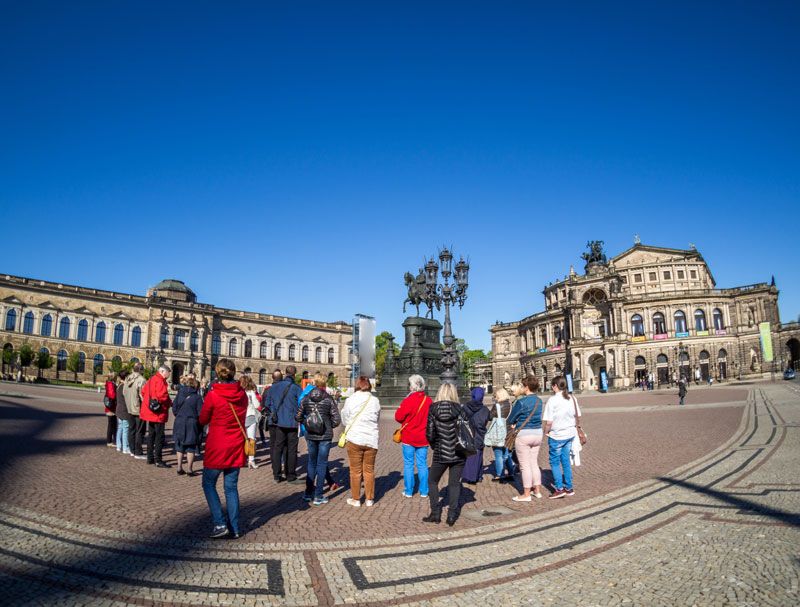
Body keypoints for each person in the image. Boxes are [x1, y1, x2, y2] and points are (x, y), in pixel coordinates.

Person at [199, 358, 248, 539]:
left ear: (217, 372)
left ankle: (220, 523)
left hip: (217, 445)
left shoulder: (213, 394)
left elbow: (203, 418)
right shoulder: (242, 394)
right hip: (236, 445)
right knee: (231, 487)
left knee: (208, 483)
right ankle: (234, 528)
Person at [423, 382, 466, 526]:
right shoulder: (459, 409)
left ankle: (435, 513)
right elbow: (465, 431)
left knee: (432, 481)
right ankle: (452, 515)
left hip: (441, 452)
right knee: (454, 484)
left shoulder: (433, 408)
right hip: (458, 452)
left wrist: (435, 445)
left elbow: (429, 433)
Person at [296, 373, 341, 505]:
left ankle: (308, 492)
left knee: (311, 462)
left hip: (310, 434)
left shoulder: (306, 398)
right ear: (324, 383)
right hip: (325, 436)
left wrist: (307, 423)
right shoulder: (328, 399)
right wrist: (327, 425)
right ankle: (319, 495)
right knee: (322, 464)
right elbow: (336, 420)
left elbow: (298, 417)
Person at [341, 376, 380, 507]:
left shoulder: (350, 400)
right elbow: (377, 418)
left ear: (357, 385)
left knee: (355, 471)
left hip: (355, 438)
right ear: (369, 386)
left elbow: (345, 419)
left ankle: (356, 499)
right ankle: (369, 498)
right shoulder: (375, 401)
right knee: (369, 470)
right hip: (371, 439)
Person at [542, 375, 582, 499]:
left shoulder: (552, 400)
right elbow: (578, 416)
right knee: (565, 461)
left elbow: (548, 422)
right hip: (569, 434)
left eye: (552, 386)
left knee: (554, 462)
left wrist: (546, 432)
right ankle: (569, 488)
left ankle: (559, 489)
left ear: (555, 386)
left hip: (557, 435)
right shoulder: (572, 398)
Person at [394, 374, 432, 498]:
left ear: (413, 386)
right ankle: (424, 491)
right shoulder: (428, 400)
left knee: (408, 464)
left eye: (410, 385)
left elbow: (398, 417)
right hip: (423, 437)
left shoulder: (408, 400)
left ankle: (409, 491)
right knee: (422, 464)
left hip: (409, 437)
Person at [507, 376, 544, 501]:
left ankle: (526, 494)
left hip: (524, 434)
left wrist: (514, 422)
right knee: (534, 463)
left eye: (523, 386)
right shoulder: (539, 400)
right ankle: (537, 491)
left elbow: (511, 419)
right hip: (538, 433)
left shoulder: (521, 402)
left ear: (527, 387)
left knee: (524, 466)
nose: (522, 388)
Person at [264, 366, 302, 483]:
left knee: (277, 448)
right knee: (291, 449)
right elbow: (302, 403)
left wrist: (275, 412)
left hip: (278, 423)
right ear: (294, 374)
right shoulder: (296, 388)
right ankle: (290, 475)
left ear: (285, 373)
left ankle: (276, 475)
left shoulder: (274, 387)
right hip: (291, 423)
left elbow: (267, 404)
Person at [140, 365, 173, 468]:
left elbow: (143, 391)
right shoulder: (160, 381)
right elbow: (162, 396)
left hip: (150, 412)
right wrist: (170, 403)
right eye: (168, 373)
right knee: (159, 437)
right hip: (158, 413)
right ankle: (158, 460)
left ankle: (150, 458)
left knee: (151, 435)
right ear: (163, 372)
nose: (168, 375)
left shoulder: (151, 379)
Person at [173, 375, 203, 476]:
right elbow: (200, 413)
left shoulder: (179, 394)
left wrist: (180, 415)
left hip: (180, 421)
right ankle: (190, 469)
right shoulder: (197, 397)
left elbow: (174, 409)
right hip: (192, 422)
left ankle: (179, 467)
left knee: (180, 445)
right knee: (191, 447)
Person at [487, 387, 516, 481]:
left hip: (498, 432)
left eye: (495, 395)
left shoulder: (497, 405)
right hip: (509, 432)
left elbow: (490, 417)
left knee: (498, 454)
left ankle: (500, 474)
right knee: (507, 454)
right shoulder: (511, 405)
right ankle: (511, 473)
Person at [461, 387, 489, 484]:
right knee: (478, 454)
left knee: (469, 455)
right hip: (479, 435)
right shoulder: (485, 409)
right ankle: (478, 475)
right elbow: (486, 420)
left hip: (468, 434)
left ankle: (469, 476)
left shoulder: (465, 407)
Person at [123, 363, 147, 459]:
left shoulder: (128, 378)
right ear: (141, 370)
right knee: (140, 431)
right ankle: (138, 452)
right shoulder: (141, 380)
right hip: (138, 408)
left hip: (129, 407)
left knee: (131, 429)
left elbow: (124, 392)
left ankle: (132, 450)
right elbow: (143, 396)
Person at [240, 375, 261, 469]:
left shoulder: (238, 392)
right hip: (251, 416)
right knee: (251, 439)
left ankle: (241, 459)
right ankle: (251, 460)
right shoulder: (251, 392)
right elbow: (257, 405)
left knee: (241, 439)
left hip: (240, 417)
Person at [114, 370, 132, 454]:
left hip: (119, 409)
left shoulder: (119, 385)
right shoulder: (125, 386)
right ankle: (125, 447)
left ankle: (118, 445)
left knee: (120, 428)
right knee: (125, 429)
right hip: (124, 410)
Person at [104, 374, 118, 447]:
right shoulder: (110, 384)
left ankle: (113, 440)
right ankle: (109, 441)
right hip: (111, 408)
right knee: (111, 425)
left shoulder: (110, 384)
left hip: (112, 407)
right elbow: (112, 395)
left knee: (113, 424)